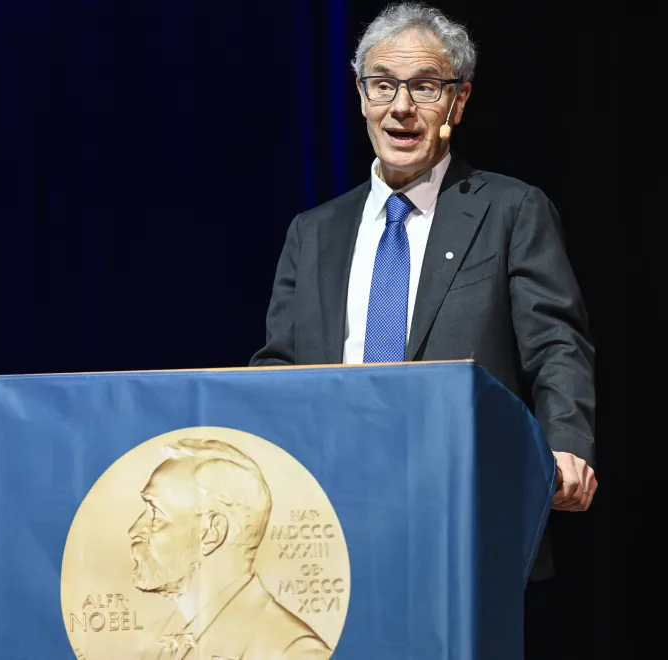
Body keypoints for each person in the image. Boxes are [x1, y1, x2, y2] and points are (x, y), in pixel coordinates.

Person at [249, 1, 597, 653]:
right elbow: (277, 368)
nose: (401, 107)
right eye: (382, 85)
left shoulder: (510, 210)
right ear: (361, 97)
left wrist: (565, 443)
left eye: (425, 87)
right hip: (329, 514)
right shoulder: (313, 232)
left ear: (457, 101)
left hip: (459, 507)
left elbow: (555, 342)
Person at [127, 437, 332, 659]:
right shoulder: (156, 641)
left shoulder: (296, 652)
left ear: (212, 533)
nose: (134, 530)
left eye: (156, 513)